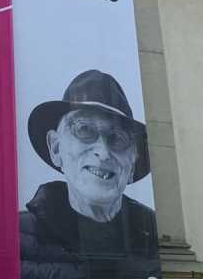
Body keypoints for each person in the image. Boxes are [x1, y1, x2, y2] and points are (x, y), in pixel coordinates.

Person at [20, 70, 160, 279]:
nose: (103, 153)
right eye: (84, 129)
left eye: (118, 138)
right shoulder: (17, 236)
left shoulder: (156, 243)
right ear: (56, 148)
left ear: (132, 165)